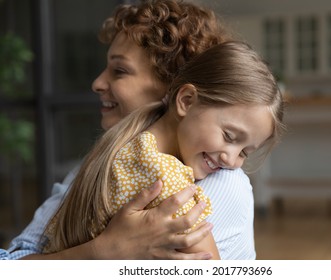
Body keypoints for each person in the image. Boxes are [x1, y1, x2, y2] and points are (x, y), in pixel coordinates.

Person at [0, 0, 267, 260]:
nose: (97, 83)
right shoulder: (94, 164)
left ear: (176, 92)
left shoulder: (217, 183)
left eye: (119, 71)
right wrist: (99, 253)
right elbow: (13, 259)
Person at [42, 41, 284, 260]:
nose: (231, 159)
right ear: (187, 100)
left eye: (244, 153)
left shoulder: (126, 142)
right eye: (229, 136)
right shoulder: (167, 182)